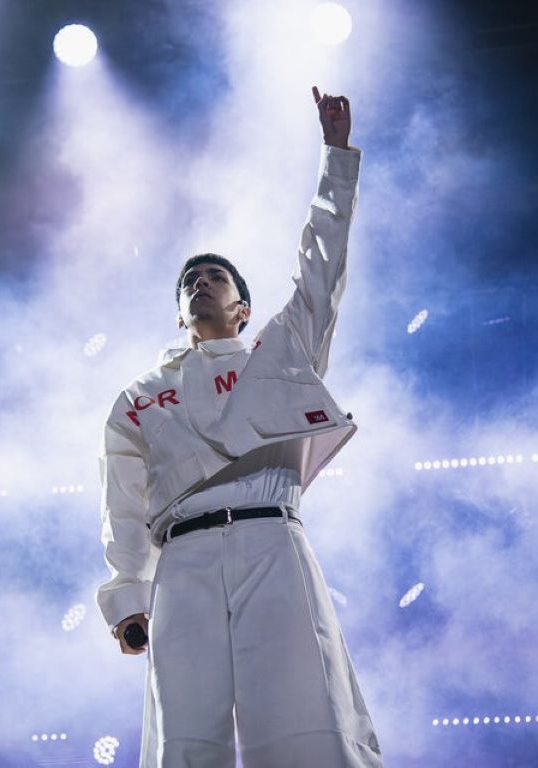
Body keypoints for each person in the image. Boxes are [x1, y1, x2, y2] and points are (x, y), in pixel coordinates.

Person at [97, 86, 382, 768]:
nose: (200, 282)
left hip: (269, 538)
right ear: (177, 314)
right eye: (188, 280)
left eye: (215, 275)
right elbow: (124, 507)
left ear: (243, 306)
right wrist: (127, 598)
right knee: (186, 736)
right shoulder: (139, 397)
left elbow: (322, 270)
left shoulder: (281, 353)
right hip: (183, 557)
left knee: (305, 716)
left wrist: (335, 159)